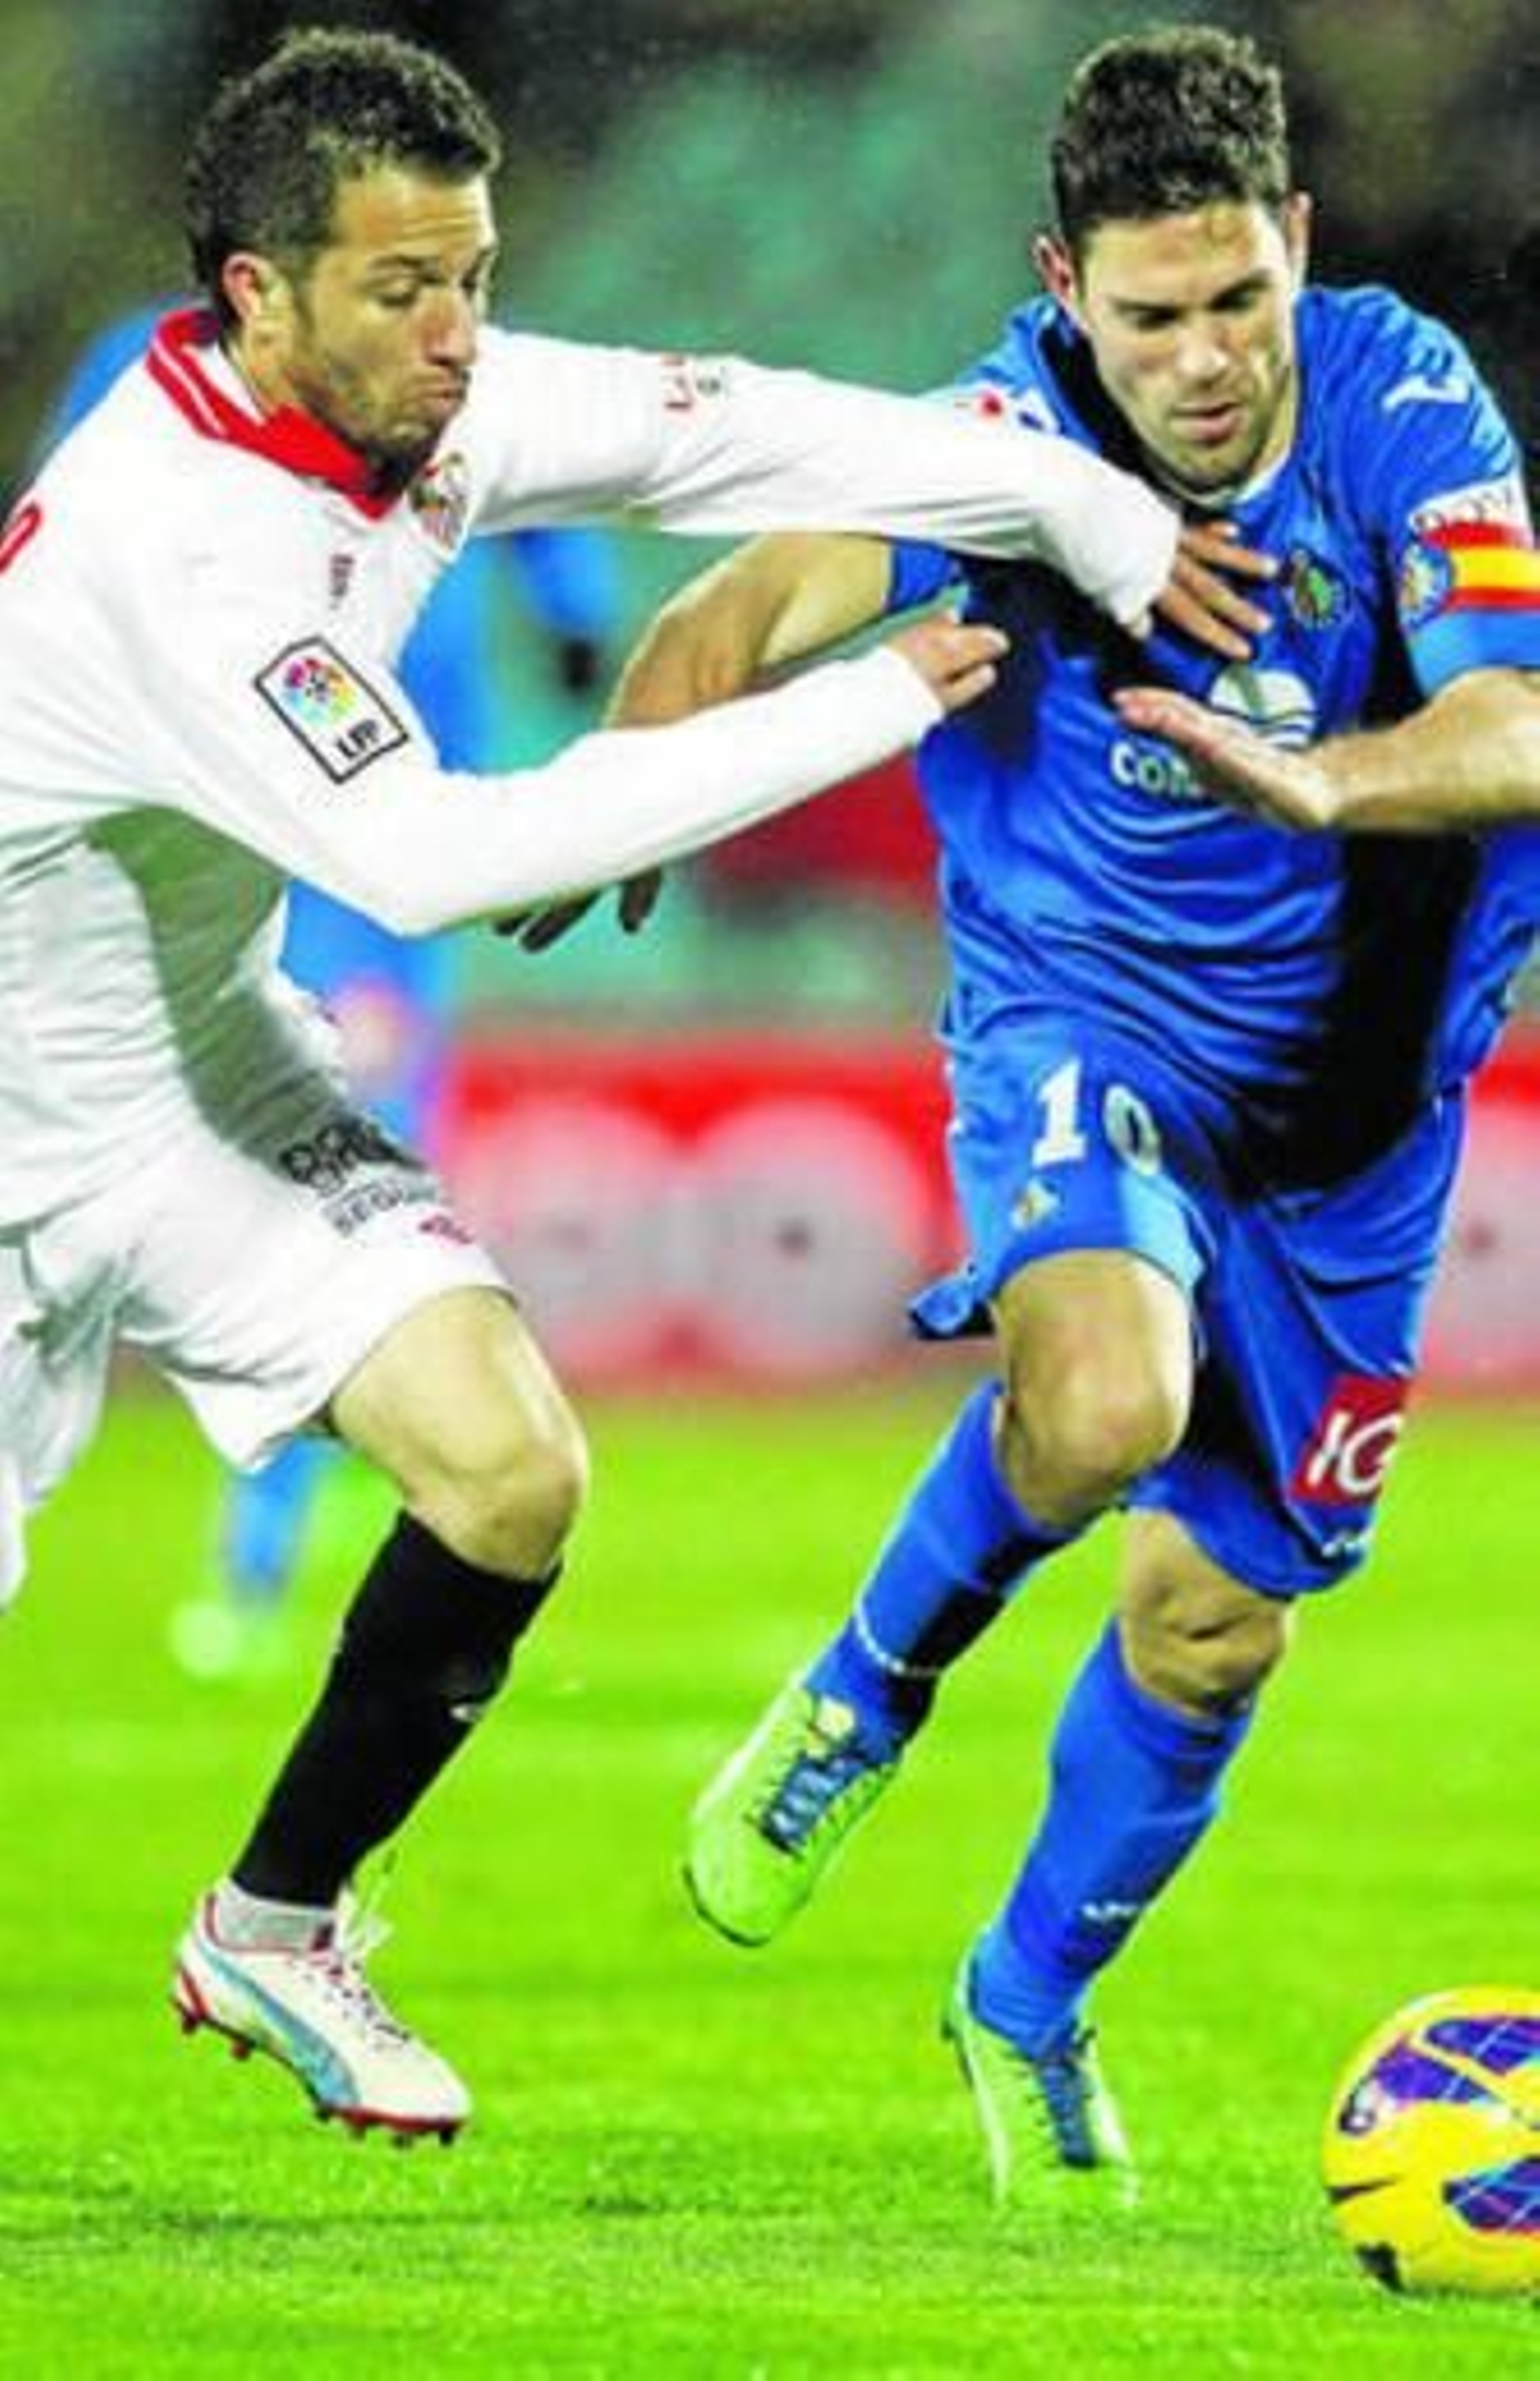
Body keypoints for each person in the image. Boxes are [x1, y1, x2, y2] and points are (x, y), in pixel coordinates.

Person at [0, 26, 1264, 2144]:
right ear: (256, 295)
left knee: (508, 1473)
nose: (456, 333)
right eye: (403, 290)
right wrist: (860, 697)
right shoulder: (174, 541)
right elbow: (430, 859)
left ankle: (277, 1925)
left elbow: (738, 433)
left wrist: (1091, 516)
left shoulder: (426, 405)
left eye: (475, 275)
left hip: (192, 1081)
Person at [616, 24, 1540, 2212]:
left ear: (1291, 244)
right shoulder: (992, 444)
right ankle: (858, 1693)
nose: (1207, 361)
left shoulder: (1404, 402)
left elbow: (1508, 714)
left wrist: (1325, 775)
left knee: (1212, 1620)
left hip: (1360, 1115)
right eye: (1151, 317)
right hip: (1083, 1020)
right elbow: (735, 607)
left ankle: (1020, 1995)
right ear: (1064, 285)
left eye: (1239, 298)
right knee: (1107, 1394)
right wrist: (633, 777)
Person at [39, 302, 623, 1681]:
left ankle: (272, 1547)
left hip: (378, 845)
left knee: (344, 1162)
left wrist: (574, 615)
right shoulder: (146, 364)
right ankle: (334, 1474)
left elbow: (542, 504)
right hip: (205, 828)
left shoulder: (445, 357)